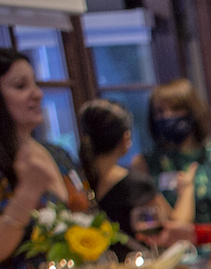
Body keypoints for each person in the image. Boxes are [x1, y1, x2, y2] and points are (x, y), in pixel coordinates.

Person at [0, 48, 91, 269]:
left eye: (35, 84)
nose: (37, 94)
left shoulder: (59, 154)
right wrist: (27, 192)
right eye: (21, 86)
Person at [137, 77, 211, 243]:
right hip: (170, 254)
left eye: (176, 108)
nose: (167, 116)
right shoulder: (144, 164)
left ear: (193, 111)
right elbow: (168, 225)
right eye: (159, 112)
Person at [76, 99, 177, 250]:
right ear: (126, 138)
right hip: (137, 268)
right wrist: (188, 188)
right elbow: (171, 227)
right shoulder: (136, 183)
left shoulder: (77, 183)